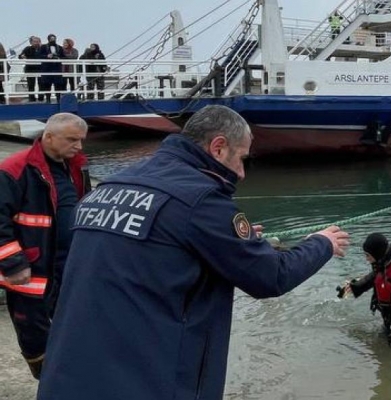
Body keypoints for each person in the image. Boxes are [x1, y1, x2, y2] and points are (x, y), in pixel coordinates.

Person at [36, 105, 350, 400]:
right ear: (218, 148)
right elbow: (271, 276)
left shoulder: (107, 190)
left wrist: (231, 240)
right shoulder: (201, 201)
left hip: (67, 376)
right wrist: (320, 242)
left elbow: (158, 247)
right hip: (143, 383)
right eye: (242, 158)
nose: (241, 173)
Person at [0, 113, 90, 379]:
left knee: (72, 325)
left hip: (68, 264)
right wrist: (13, 263)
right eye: (72, 140)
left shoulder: (75, 167)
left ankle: (69, 378)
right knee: (34, 333)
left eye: (82, 140)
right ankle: (48, 381)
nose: (79, 147)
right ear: (48, 137)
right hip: (32, 269)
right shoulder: (15, 170)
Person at [38, 34, 65, 103]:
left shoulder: (60, 47)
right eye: (51, 39)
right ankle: (48, 99)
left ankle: (59, 99)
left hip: (57, 68)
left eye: (54, 38)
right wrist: (47, 56)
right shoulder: (43, 47)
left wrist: (59, 58)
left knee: (58, 85)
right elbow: (39, 56)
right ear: (48, 39)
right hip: (47, 68)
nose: (53, 40)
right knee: (47, 84)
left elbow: (64, 57)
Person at [18, 36, 43, 102]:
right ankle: (32, 99)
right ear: (31, 42)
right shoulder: (27, 48)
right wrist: (22, 56)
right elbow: (20, 56)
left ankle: (41, 98)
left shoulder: (43, 48)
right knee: (31, 85)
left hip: (40, 69)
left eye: (37, 41)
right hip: (30, 69)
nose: (36, 43)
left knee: (41, 85)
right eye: (34, 41)